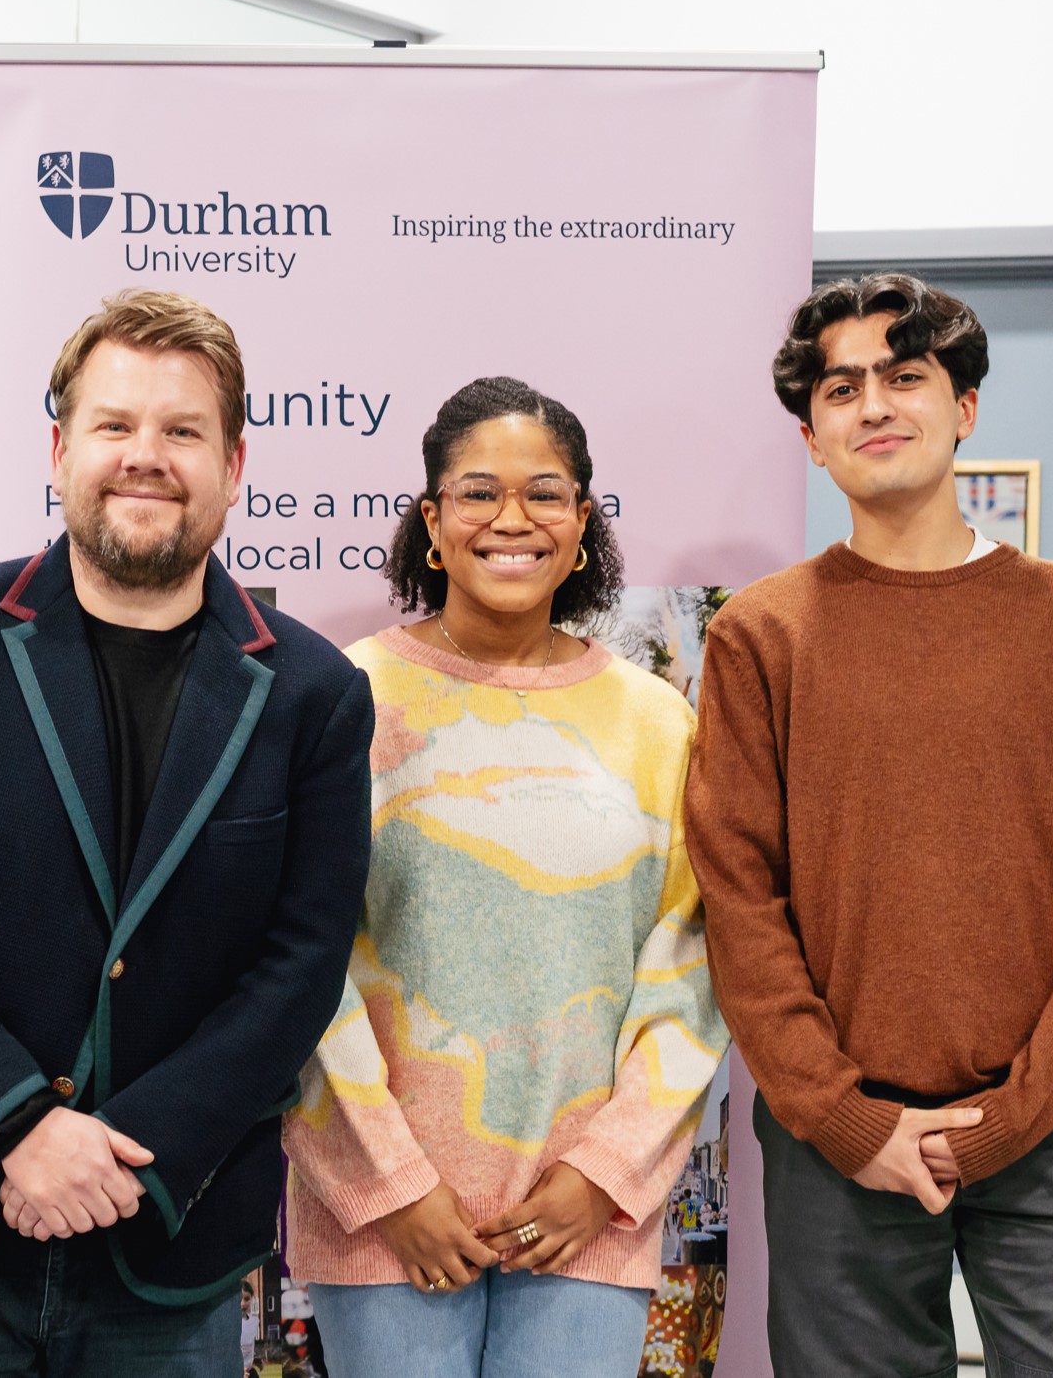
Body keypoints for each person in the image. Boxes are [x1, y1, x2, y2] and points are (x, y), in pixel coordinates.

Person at [0, 289, 376, 1377]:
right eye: (114, 425)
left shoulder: (314, 695)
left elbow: (299, 967)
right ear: (63, 448)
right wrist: (20, 1126)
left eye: (182, 431)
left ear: (235, 463)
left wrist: (126, 1162)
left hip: (165, 1239)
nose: (144, 456)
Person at [686, 273, 1053, 1376]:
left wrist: (1011, 1116)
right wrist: (846, 1117)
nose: (875, 405)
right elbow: (740, 903)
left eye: (906, 377)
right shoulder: (761, 638)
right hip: (836, 1138)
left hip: (1052, 1129)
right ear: (811, 435)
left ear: (967, 408)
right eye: (842, 388)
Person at [283, 377, 728, 1378]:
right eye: (478, 492)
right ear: (433, 521)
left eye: (547, 493)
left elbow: (691, 970)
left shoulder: (658, 723)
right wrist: (392, 1184)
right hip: (385, 1221)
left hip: (584, 1219)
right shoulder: (340, 701)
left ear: (582, 524)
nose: (512, 519)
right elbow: (299, 962)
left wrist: (604, 1175)